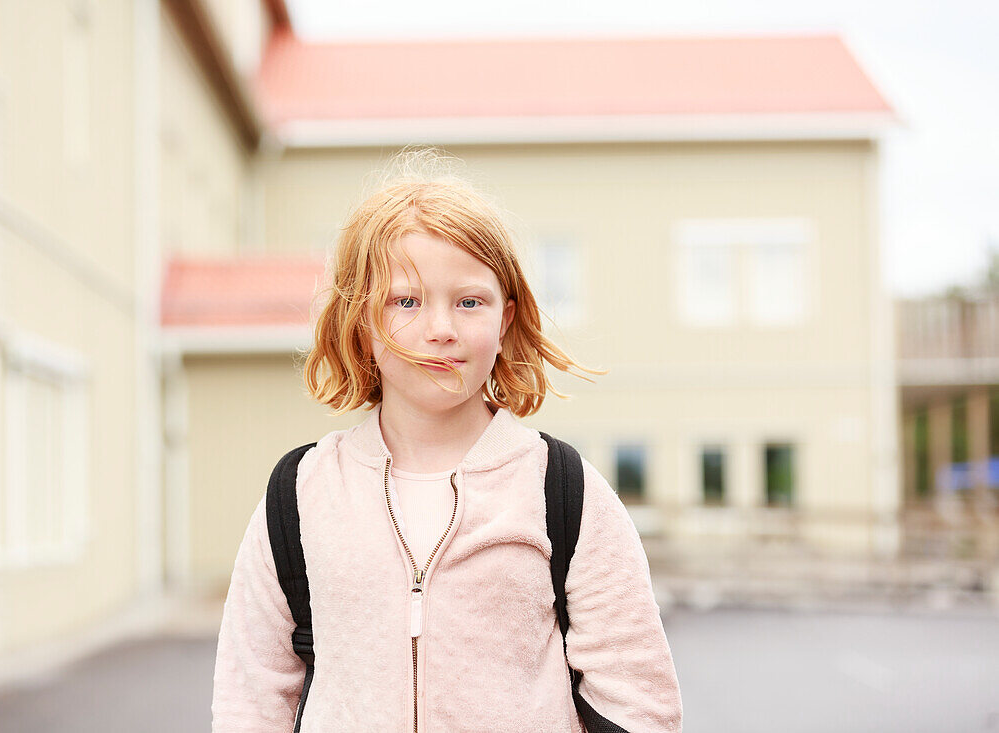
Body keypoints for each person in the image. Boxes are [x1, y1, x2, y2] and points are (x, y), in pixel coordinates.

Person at [211, 150, 683, 732]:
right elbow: (249, 696)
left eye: (469, 301)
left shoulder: (562, 488)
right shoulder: (301, 492)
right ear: (361, 318)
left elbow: (639, 698)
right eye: (405, 301)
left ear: (505, 318)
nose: (441, 329)